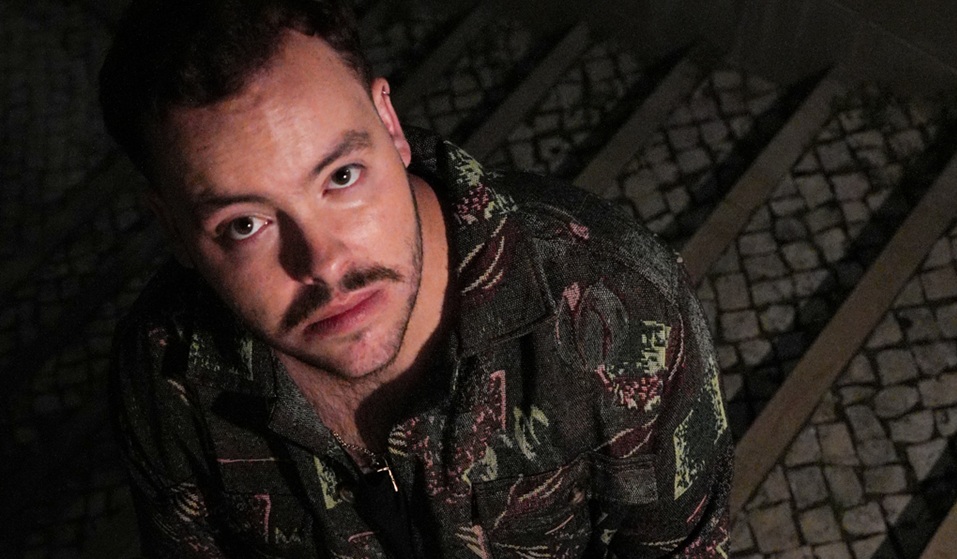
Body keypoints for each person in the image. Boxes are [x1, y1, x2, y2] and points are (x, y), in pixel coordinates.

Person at [101, 0, 733, 556]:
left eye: (342, 176)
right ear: (175, 230)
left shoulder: (619, 302)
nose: (324, 263)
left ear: (390, 124)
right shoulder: (164, 376)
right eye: (245, 224)